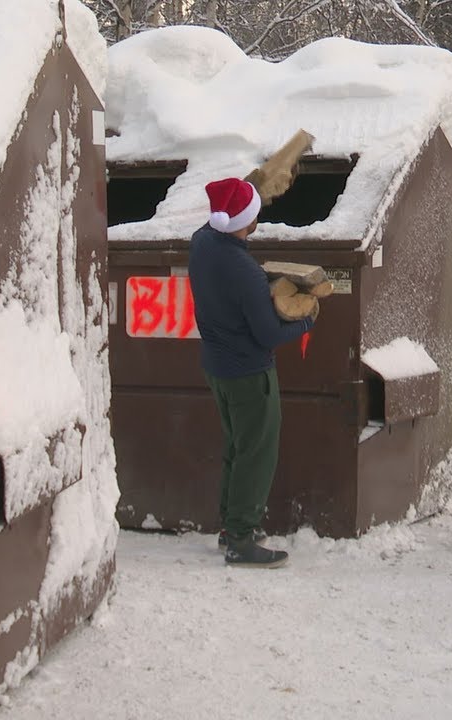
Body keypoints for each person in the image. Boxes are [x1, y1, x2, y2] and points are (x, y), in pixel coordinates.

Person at [188, 177, 314, 569]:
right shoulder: (243, 270)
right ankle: (241, 539)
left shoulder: (202, 242)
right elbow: (269, 333)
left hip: (217, 367)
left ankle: (231, 525)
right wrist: (307, 319)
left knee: (237, 447)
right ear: (248, 219)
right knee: (256, 453)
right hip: (249, 372)